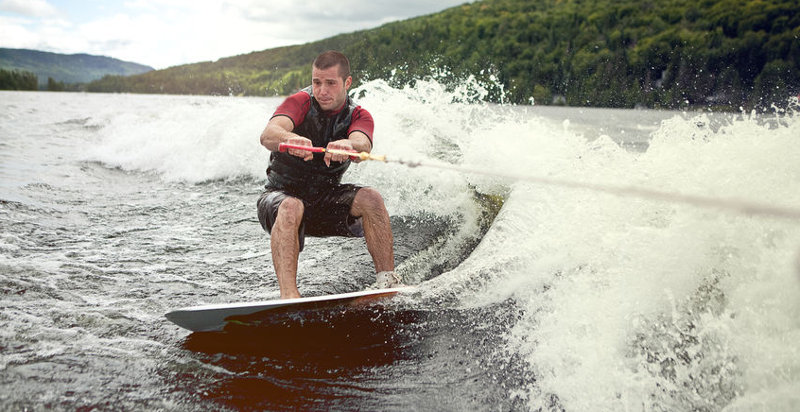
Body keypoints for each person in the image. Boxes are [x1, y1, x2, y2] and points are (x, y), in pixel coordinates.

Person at [257, 50, 403, 299]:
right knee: (291, 206)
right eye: (316, 82)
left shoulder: (359, 115)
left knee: (372, 199)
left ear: (347, 83)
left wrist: (348, 145)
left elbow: (363, 144)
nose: (321, 90)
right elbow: (269, 134)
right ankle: (289, 296)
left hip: (323, 203)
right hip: (280, 200)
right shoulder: (299, 102)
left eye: (330, 83)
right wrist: (291, 139)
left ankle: (387, 284)